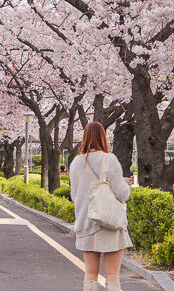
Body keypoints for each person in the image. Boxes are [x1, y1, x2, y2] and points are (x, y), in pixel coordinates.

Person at [69, 122, 132, 291]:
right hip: (109, 223)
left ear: (84, 138)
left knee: (90, 274)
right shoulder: (109, 159)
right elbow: (123, 194)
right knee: (112, 275)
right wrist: (126, 184)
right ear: (103, 138)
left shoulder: (75, 163)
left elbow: (74, 196)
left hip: (85, 222)